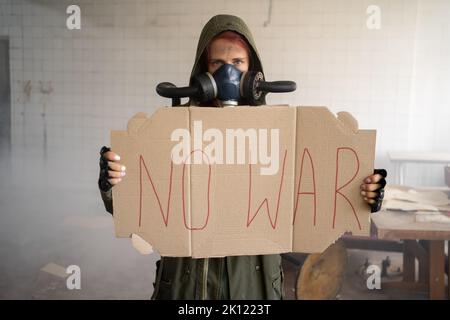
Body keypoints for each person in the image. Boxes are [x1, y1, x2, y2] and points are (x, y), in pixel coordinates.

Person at [98, 14, 386, 300]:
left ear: (253, 72)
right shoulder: (170, 133)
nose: (228, 73)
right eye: (217, 64)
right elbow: (140, 207)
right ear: (202, 70)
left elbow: (317, 193)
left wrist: (363, 194)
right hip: (187, 287)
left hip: (254, 287)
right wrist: (114, 183)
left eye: (237, 63)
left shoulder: (281, 135)